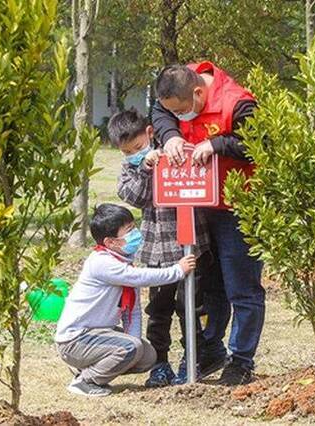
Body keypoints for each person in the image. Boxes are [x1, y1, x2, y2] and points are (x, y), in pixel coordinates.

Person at [151, 62, 265, 385]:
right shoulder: (178, 84)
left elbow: (260, 144)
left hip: (236, 205)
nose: (182, 116)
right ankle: (210, 348)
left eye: (183, 111)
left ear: (199, 93)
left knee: (241, 286)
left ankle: (241, 360)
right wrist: (170, 135)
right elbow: (159, 112)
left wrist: (218, 144)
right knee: (207, 285)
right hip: (198, 206)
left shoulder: (237, 103)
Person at [109, 109, 225, 386]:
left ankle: (193, 360)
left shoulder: (176, 149)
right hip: (156, 252)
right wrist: (146, 167)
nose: (133, 153)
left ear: (149, 133)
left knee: (192, 309)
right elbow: (135, 197)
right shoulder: (132, 168)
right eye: (127, 152)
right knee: (158, 311)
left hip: (191, 248)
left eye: (137, 147)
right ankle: (160, 363)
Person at [55, 203, 196, 397]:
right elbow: (140, 277)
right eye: (129, 230)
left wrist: (134, 343)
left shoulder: (122, 261)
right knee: (131, 348)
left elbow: (133, 311)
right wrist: (177, 271)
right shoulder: (101, 262)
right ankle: (86, 380)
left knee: (147, 356)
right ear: (111, 242)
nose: (135, 233)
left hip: (99, 334)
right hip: (76, 340)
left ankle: (89, 367)